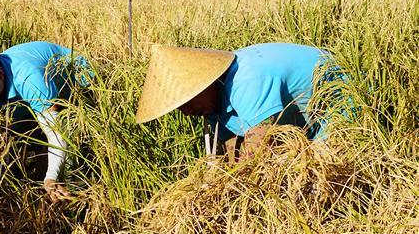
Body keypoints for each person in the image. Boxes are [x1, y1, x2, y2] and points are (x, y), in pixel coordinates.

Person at [0, 40, 90, 212]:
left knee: (73, 158)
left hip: (79, 85)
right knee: (19, 150)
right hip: (27, 103)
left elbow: (57, 134)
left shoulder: (29, 78)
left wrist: (51, 178)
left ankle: (79, 204)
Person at [135, 42, 348, 158]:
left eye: (187, 102)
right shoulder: (213, 104)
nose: (187, 111)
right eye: (180, 107)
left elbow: (260, 144)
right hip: (303, 114)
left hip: (338, 100)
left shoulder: (246, 82)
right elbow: (232, 147)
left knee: (326, 163)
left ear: (205, 84)